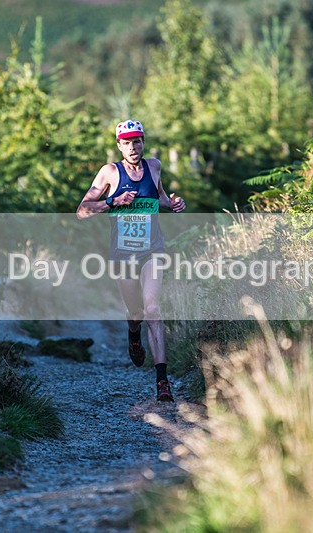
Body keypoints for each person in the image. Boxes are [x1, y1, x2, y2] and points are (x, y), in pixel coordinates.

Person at [77, 119, 186, 402]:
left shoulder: (154, 166)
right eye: (126, 142)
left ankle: (162, 381)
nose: (133, 147)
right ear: (119, 145)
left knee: (152, 308)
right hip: (124, 253)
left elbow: (159, 197)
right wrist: (113, 202)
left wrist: (173, 204)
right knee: (136, 312)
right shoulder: (110, 173)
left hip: (152, 250)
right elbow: (82, 210)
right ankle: (133, 334)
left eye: (137, 141)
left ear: (143, 142)